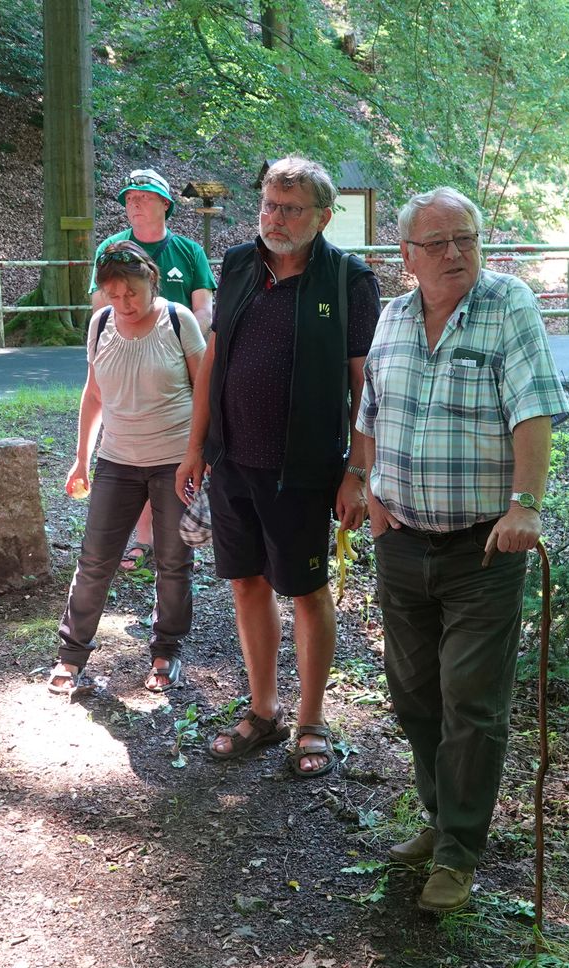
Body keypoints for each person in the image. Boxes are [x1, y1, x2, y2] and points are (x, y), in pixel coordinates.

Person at [357, 187, 569, 913]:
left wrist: (527, 504)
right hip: (402, 541)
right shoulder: (390, 319)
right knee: (414, 695)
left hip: (484, 549)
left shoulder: (508, 305)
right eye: (438, 242)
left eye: (466, 238)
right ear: (407, 257)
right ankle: (439, 815)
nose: (455, 253)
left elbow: (533, 409)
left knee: (470, 704)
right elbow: (373, 413)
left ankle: (458, 851)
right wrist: (370, 489)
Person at [176, 156, 379, 779]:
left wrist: (358, 471)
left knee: (308, 592)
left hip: (305, 468)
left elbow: (363, 386)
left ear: (323, 216)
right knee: (245, 583)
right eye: (268, 204)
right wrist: (195, 444)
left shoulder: (347, 279)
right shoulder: (238, 265)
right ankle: (263, 711)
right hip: (232, 460)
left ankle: (311, 720)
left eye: (290, 208)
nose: (275, 218)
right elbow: (214, 357)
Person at [47, 242, 205, 695]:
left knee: (174, 562)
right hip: (116, 460)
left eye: (131, 292)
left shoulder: (178, 320)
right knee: (95, 559)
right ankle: (71, 655)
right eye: (113, 295)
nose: (124, 304)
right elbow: (94, 394)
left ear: (151, 280)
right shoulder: (100, 324)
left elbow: (203, 391)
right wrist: (81, 458)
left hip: (173, 461)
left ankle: (166, 652)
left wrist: (198, 455)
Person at [90, 168, 218, 566]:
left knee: (172, 449)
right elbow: (101, 307)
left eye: (143, 197)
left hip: (179, 356)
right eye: (129, 199)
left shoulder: (188, 251)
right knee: (132, 446)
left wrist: (181, 343)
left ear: (165, 203)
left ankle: (176, 540)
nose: (134, 204)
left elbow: (204, 306)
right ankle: (143, 537)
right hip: (124, 356)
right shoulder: (111, 248)